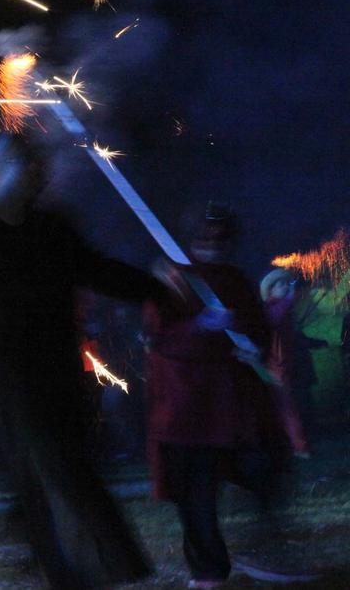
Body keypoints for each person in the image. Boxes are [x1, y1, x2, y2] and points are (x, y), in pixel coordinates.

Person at [0, 132, 162, 588]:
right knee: (48, 469)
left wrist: (155, 286)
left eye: (38, 168)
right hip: (15, 372)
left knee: (70, 466)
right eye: (24, 165)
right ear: (0, 169)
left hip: (59, 365)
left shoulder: (52, 227)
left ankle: (89, 562)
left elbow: (95, 269)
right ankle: (68, 566)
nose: (37, 175)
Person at [143, 204, 296, 588]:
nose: (213, 240)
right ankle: (209, 573)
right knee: (196, 497)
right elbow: (156, 338)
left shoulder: (234, 278)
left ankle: (260, 549)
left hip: (232, 407)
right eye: (205, 232)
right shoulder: (170, 278)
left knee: (265, 467)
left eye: (220, 233)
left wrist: (254, 346)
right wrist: (199, 326)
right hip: (185, 408)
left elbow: (256, 330)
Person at [261, 268, 322, 457]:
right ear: (270, 289)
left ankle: (294, 445)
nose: (286, 287)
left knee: (290, 406)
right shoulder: (272, 307)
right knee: (287, 408)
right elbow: (274, 321)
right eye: (281, 284)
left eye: (287, 283)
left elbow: (292, 337)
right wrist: (289, 299)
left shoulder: (285, 309)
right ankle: (299, 447)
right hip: (275, 366)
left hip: (286, 364)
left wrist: (314, 342)